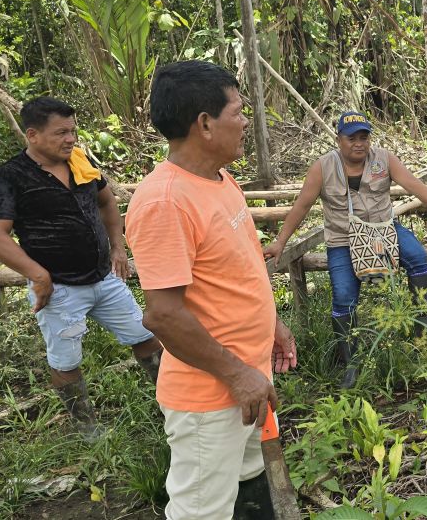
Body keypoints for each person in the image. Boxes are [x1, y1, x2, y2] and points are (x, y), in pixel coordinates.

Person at [126, 61, 298, 520]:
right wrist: (238, 374)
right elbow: (162, 315)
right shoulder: (165, 202)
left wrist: (272, 325)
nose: (245, 122)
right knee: (200, 511)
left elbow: (238, 269)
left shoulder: (220, 180)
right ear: (204, 124)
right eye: (238, 112)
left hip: (247, 380)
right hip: (211, 395)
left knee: (245, 486)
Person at [0, 97, 162, 440]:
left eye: (73, 131)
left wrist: (117, 246)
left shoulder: (80, 161)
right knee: (66, 360)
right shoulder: (8, 177)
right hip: (59, 289)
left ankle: (172, 400)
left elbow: (107, 201)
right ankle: (86, 427)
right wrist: (39, 274)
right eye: (61, 133)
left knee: (144, 335)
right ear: (32, 135)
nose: (70, 139)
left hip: (103, 278)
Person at [263, 111, 427, 389]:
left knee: (418, 258)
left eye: (364, 137)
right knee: (344, 297)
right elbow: (301, 206)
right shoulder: (322, 168)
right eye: (351, 138)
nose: (359, 143)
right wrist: (280, 242)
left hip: (384, 229)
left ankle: (425, 325)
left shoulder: (384, 159)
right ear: (338, 140)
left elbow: (413, 184)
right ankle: (351, 362)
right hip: (343, 239)